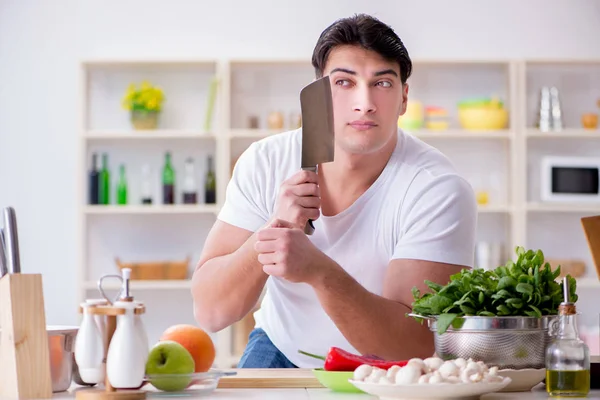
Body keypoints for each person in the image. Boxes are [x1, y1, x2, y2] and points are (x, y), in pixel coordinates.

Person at [191, 13, 477, 369]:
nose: (364, 103)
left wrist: (319, 272)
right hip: (282, 347)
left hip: (386, 367)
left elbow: (413, 346)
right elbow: (211, 311)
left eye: (382, 84)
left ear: (404, 98)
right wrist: (274, 228)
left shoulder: (437, 190)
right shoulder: (265, 161)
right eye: (344, 82)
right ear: (319, 95)